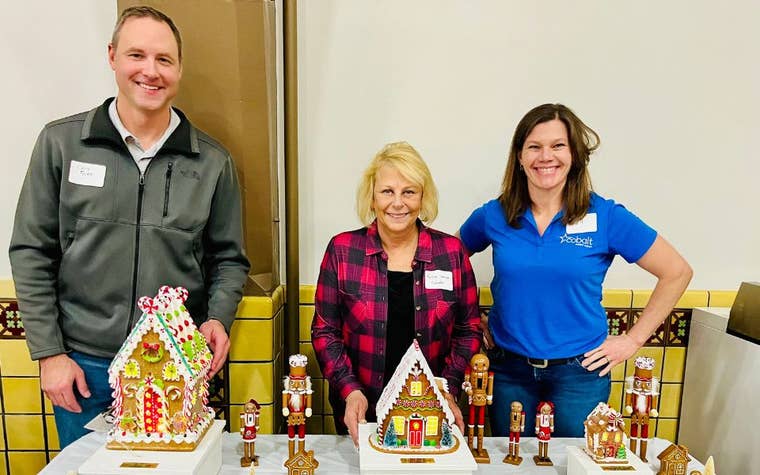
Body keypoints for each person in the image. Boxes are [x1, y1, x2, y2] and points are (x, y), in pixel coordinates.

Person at [8, 6, 249, 448]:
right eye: (137, 55)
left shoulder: (214, 163)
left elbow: (229, 258)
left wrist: (218, 317)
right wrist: (49, 354)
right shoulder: (61, 144)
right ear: (113, 56)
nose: (150, 71)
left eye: (164, 59)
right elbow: (31, 251)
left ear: (179, 68)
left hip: (175, 367)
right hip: (83, 369)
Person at [458, 103, 692, 437]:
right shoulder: (494, 215)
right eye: (534, 147)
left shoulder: (607, 217)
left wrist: (633, 339)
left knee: (576, 464)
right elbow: (444, 262)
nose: (545, 156)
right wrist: (467, 321)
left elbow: (677, 271)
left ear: (575, 155)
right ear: (520, 157)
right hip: (508, 370)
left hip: (580, 374)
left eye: (557, 146)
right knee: (511, 463)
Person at [311, 141, 481, 445]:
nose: (398, 203)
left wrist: (447, 387)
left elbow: (469, 330)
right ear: (372, 198)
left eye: (409, 192)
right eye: (387, 191)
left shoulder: (451, 253)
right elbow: (325, 332)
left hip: (428, 410)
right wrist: (349, 390)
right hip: (360, 408)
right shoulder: (343, 250)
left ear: (423, 196)